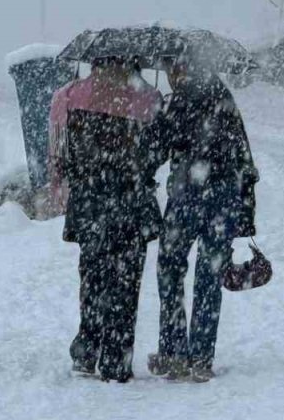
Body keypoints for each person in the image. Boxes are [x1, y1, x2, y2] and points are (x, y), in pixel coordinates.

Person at [47, 57, 162, 382]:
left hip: (91, 202)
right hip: (132, 204)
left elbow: (58, 152)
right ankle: (116, 359)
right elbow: (157, 152)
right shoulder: (149, 99)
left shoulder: (68, 96)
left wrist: (63, 184)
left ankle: (86, 351)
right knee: (126, 284)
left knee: (93, 278)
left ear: (93, 61)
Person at [145, 63, 258, 382]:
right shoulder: (224, 97)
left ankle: (173, 351)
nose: (169, 75)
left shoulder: (174, 102)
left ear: (181, 67)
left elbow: (154, 150)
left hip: (186, 196)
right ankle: (201, 359)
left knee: (170, 268)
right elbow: (243, 155)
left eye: (170, 68)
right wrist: (245, 209)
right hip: (224, 196)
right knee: (210, 274)